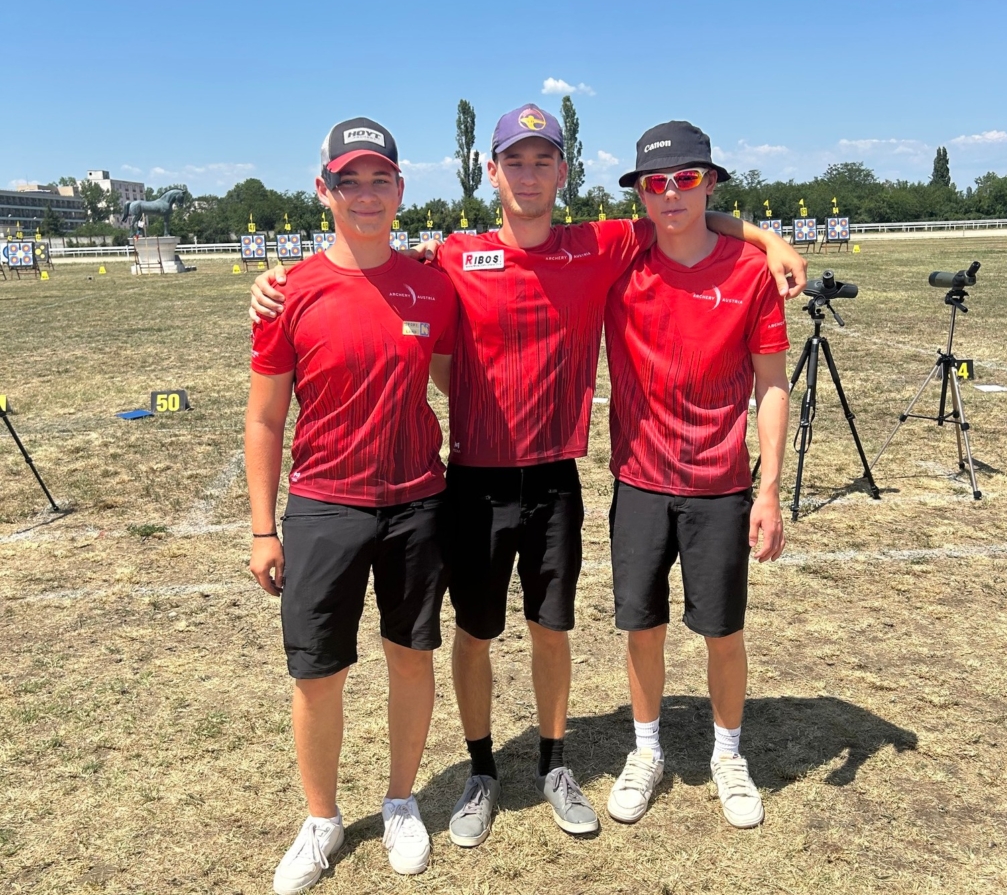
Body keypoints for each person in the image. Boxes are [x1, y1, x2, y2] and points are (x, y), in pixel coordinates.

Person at [250, 104, 807, 848]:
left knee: (552, 630)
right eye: (515, 161)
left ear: (563, 172)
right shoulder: (454, 256)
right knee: (474, 634)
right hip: (472, 483)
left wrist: (768, 238)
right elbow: (373, 267)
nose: (529, 175)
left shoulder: (599, 245)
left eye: (543, 161)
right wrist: (278, 278)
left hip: (554, 481)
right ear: (492, 172)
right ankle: (481, 771)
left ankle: (554, 764)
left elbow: (685, 214)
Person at [245, 118, 458, 891]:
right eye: (349, 180)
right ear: (323, 188)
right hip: (324, 507)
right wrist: (263, 528)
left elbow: (453, 380)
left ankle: (401, 801)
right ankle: (321, 820)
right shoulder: (287, 292)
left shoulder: (433, 283)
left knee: (411, 658)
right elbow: (265, 419)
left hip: (416, 504)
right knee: (317, 674)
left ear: (401, 189)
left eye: (379, 180)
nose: (365, 195)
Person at [602, 121, 789, 830]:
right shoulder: (620, 260)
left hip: (721, 485)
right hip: (640, 481)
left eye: (686, 178)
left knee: (723, 631)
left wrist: (768, 490)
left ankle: (728, 755)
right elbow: (531, 244)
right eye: (656, 183)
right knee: (642, 628)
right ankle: (646, 749)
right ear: (640, 195)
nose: (671, 194)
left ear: (710, 183)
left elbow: (772, 384)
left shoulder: (749, 273)